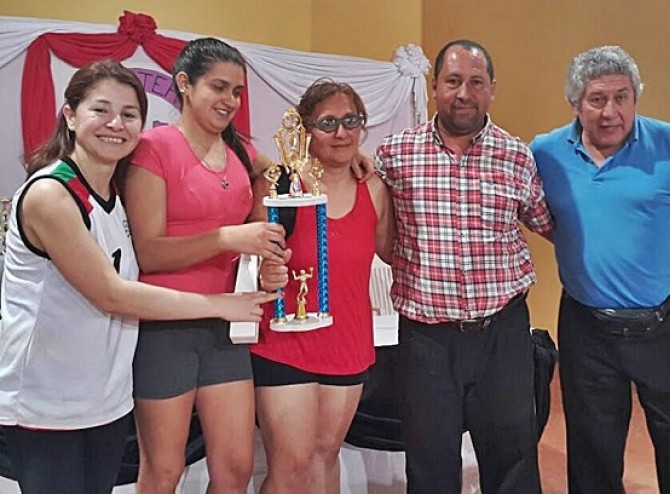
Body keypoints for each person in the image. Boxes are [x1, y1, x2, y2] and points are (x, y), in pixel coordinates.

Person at [0, 60, 277, 494]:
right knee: (161, 471)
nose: (116, 124)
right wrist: (221, 299)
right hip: (47, 400)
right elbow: (113, 293)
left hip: (103, 397)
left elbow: (270, 167)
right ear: (70, 115)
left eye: (129, 114)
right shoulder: (50, 194)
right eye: (101, 110)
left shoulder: (111, 196)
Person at [530, 45, 670, 493]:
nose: (610, 111)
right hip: (586, 329)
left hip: (667, 326)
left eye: (622, 97)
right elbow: (531, 212)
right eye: (596, 99)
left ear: (635, 98)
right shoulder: (545, 153)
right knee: (591, 459)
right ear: (575, 104)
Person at [375, 39, 552, 494]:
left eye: (476, 82)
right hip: (426, 340)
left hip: (502, 334)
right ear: (435, 85)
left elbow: (549, 223)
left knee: (513, 460)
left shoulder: (516, 155)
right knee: (430, 462)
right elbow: (371, 225)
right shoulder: (394, 155)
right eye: (453, 81)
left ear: (492, 88)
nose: (464, 93)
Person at [124, 38, 288, 493]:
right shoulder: (153, 147)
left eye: (237, 92)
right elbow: (149, 252)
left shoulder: (240, 152)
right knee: (163, 471)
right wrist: (226, 238)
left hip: (226, 327)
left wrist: (259, 243)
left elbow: (281, 173)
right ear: (184, 84)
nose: (230, 101)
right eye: (218, 87)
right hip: (165, 326)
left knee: (235, 469)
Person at [249, 79, 394, 494]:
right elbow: (248, 258)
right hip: (284, 343)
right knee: (290, 466)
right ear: (306, 129)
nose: (341, 132)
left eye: (351, 121)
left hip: (348, 345)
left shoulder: (374, 189)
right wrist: (263, 274)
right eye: (328, 122)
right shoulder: (277, 186)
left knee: (324, 457)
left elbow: (393, 254)